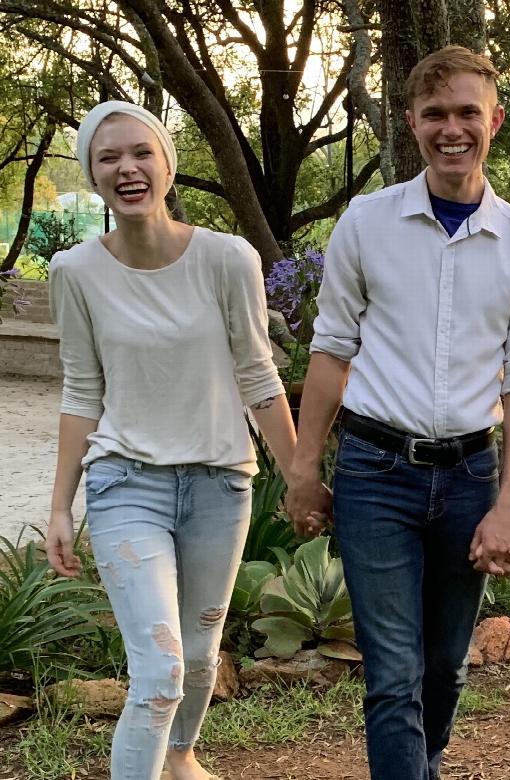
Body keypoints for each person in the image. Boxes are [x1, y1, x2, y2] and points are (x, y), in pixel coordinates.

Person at [283, 46, 510, 779]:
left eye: (468, 112)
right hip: (375, 473)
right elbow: (331, 349)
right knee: (393, 673)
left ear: (495, 120)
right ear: (411, 123)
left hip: (469, 475)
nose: (451, 129)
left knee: (444, 668)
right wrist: (304, 469)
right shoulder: (366, 223)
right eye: (435, 114)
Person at [43, 101, 307, 780]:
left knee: (196, 655)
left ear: (167, 163)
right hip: (125, 483)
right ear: (92, 175)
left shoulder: (227, 258)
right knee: (160, 669)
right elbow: (81, 392)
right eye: (108, 157)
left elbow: (258, 375)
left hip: (221, 484)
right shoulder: (75, 272)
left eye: (141, 152)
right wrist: (59, 508)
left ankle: (182, 759)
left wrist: (300, 479)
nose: (127, 168)